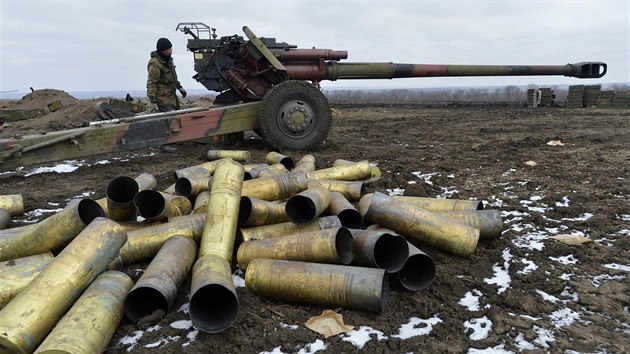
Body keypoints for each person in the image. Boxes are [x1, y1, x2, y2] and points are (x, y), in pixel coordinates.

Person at [146, 37, 187, 112]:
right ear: (163, 50)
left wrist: (179, 87)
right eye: (169, 48)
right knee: (171, 121)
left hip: (172, 99)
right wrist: (152, 100)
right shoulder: (155, 63)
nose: (171, 50)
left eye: (171, 48)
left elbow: (173, 77)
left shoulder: (169, 60)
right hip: (163, 101)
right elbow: (152, 82)